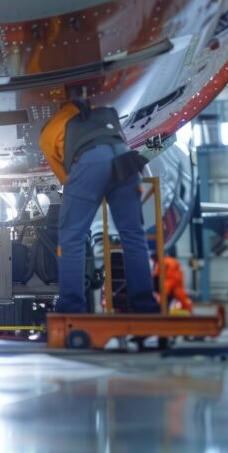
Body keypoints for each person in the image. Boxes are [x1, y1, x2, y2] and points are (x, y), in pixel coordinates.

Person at [39, 100, 160, 314]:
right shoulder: (94, 110)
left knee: (71, 239)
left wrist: (93, 189)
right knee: (133, 234)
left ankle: (71, 308)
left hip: (89, 161)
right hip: (125, 157)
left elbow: (66, 179)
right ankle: (145, 305)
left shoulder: (47, 134)